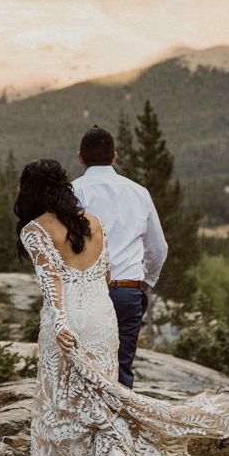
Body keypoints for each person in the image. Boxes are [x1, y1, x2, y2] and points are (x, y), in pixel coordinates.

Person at [15, 158, 229, 456]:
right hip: (102, 318)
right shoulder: (93, 222)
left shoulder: (35, 230)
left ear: (30, 191)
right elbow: (106, 274)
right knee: (103, 397)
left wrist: (61, 323)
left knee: (67, 407)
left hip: (68, 324)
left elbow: (51, 283)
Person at [70, 125, 165, 389]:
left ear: (80, 157)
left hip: (87, 293)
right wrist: (145, 281)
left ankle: (92, 426)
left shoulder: (73, 192)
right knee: (121, 369)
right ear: (114, 156)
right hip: (127, 292)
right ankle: (120, 427)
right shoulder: (139, 192)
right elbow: (158, 248)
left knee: (86, 368)